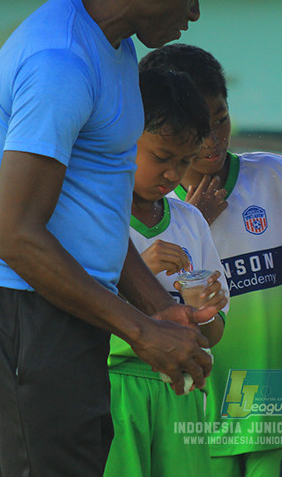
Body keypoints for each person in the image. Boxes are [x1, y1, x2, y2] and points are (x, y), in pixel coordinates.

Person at [0, 0, 218, 477]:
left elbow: (91, 213)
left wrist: (158, 307)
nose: (194, 13)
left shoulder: (115, 49)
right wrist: (140, 329)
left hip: (64, 310)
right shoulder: (61, 61)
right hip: (22, 313)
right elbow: (17, 235)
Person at [140, 43, 282, 477]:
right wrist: (194, 226)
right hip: (202, 401)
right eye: (198, 127)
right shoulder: (146, 210)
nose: (212, 138)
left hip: (278, 396)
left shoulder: (276, 179)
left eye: (221, 119)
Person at [105, 66, 230, 476]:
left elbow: (213, 333)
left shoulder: (190, 220)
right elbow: (78, 304)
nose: (173, 174)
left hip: (183, 390)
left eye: (185, 161)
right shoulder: (97, 216)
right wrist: (138, 273)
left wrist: (205, 312)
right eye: (161, 157)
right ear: (124, 138)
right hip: (115, 386)